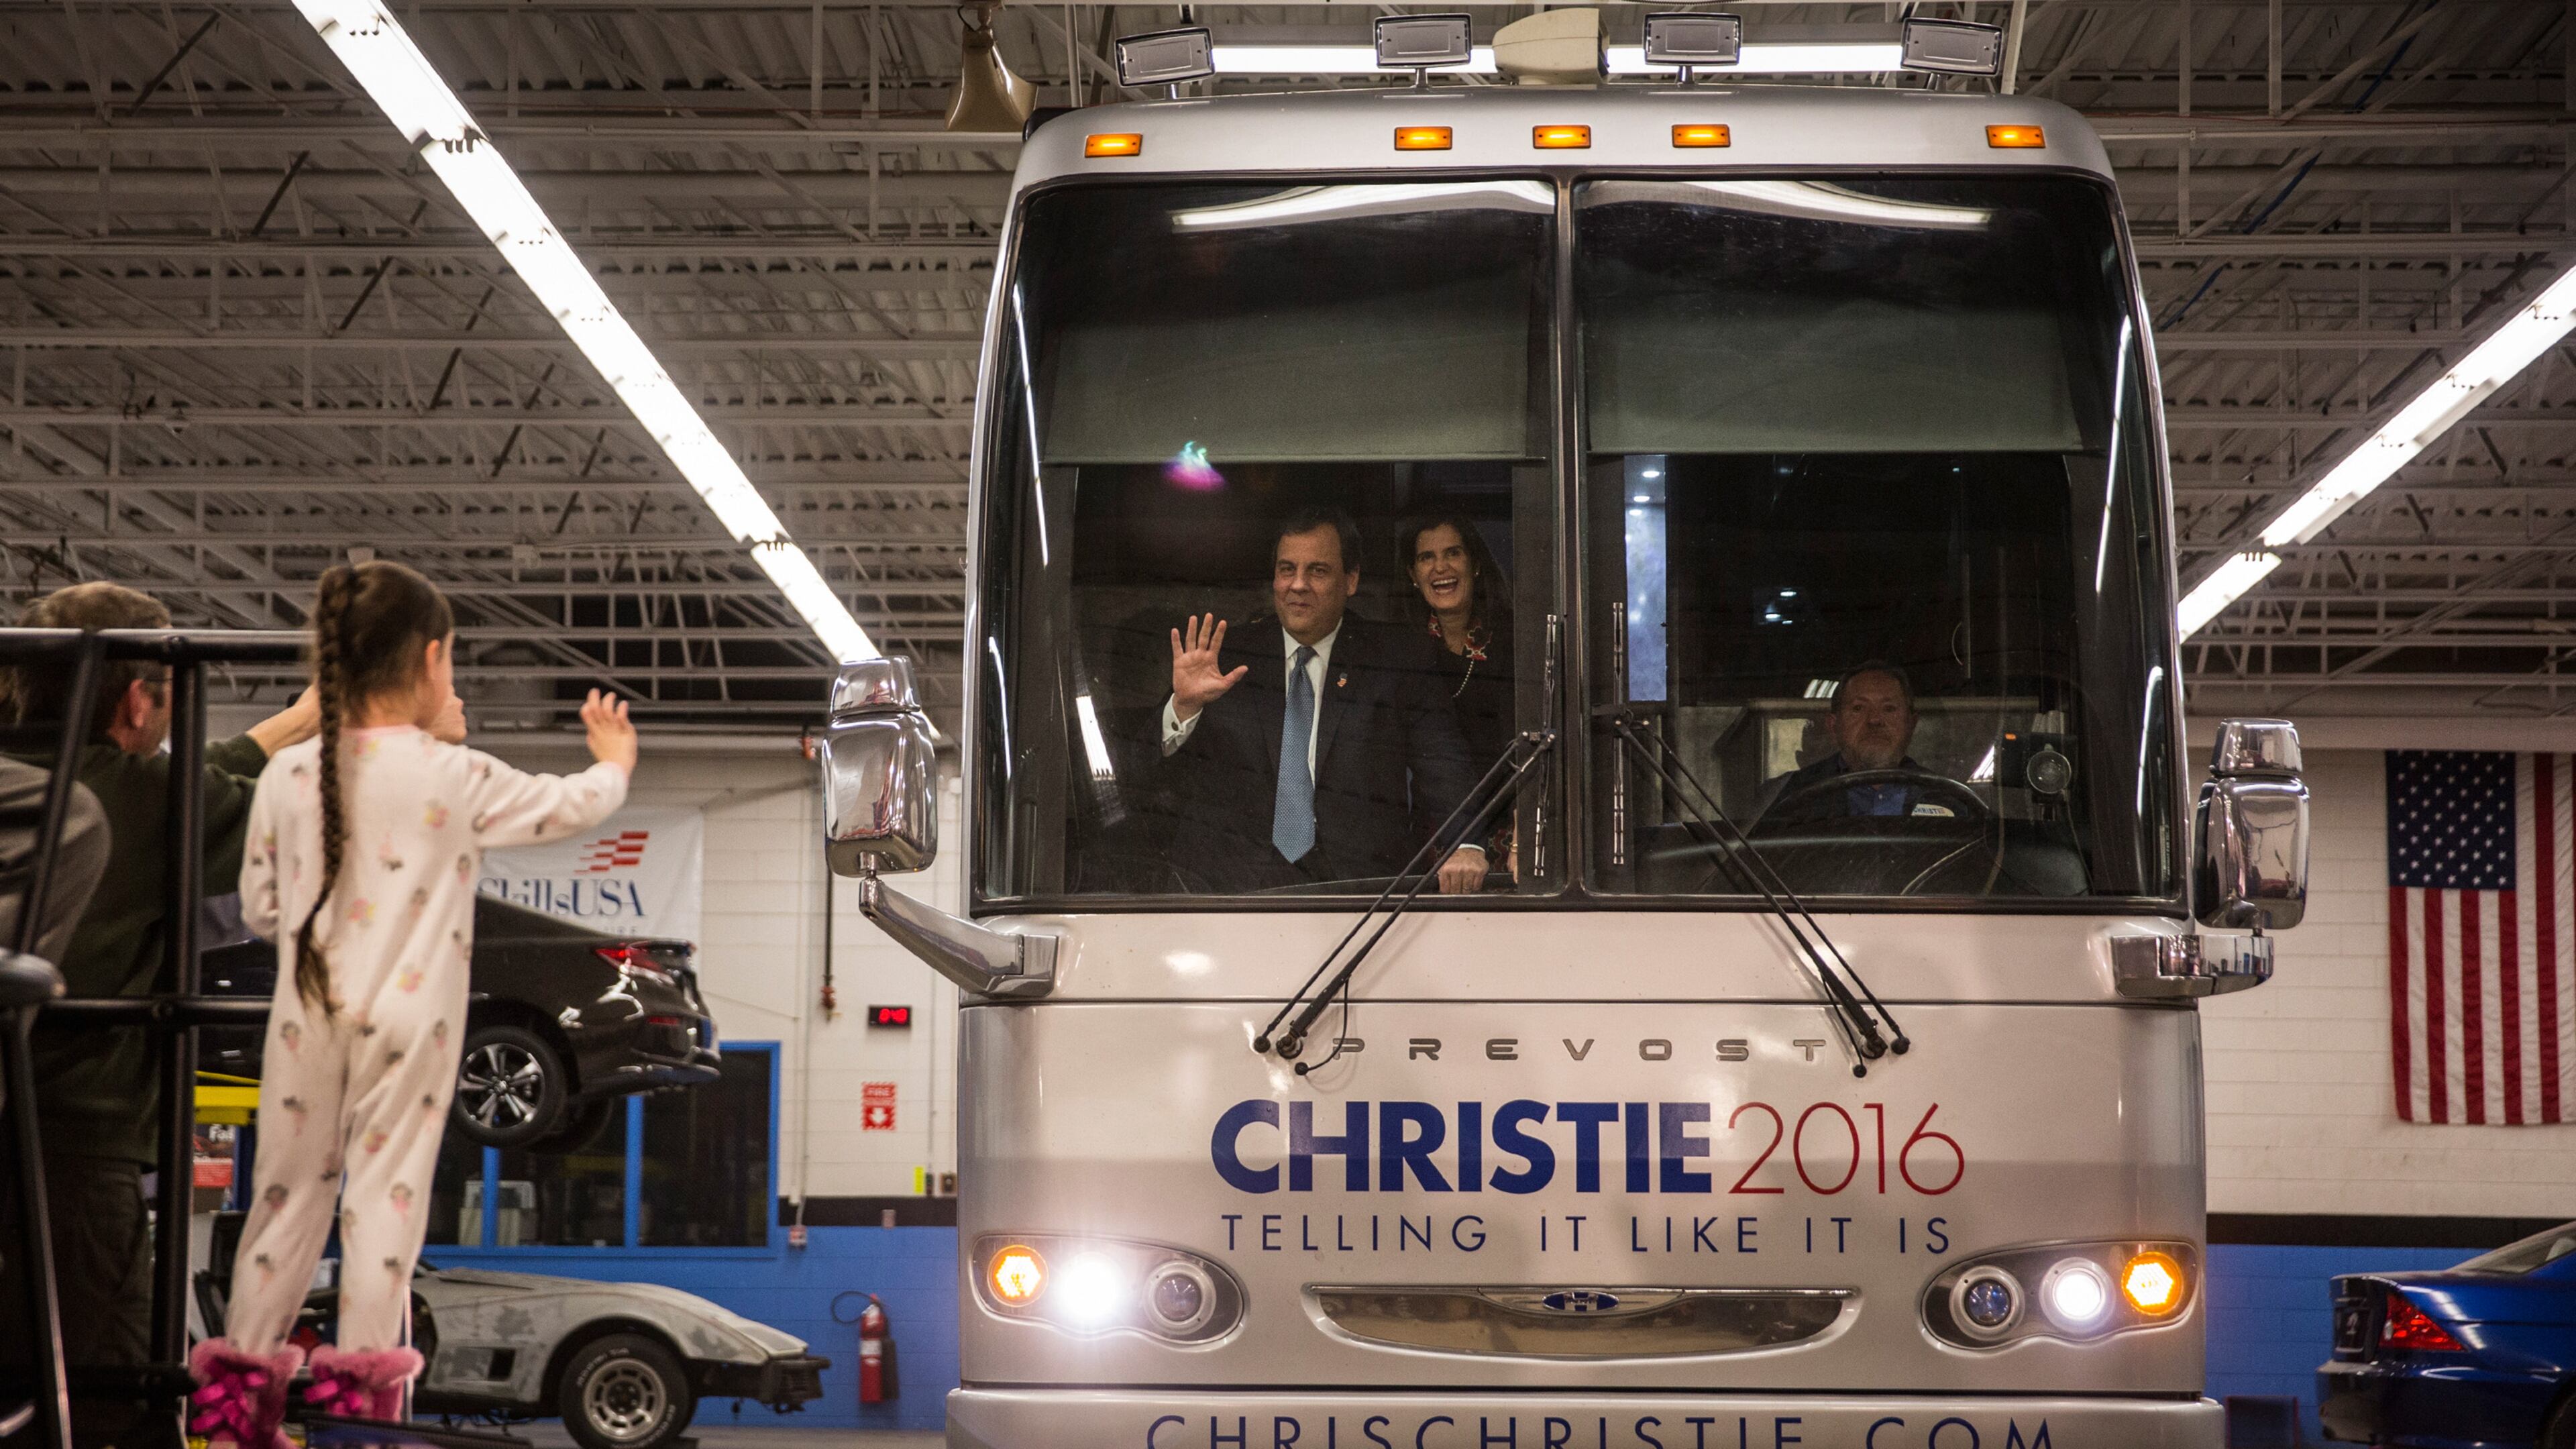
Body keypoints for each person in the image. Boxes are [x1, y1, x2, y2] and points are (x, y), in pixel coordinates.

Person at [188, 562, 635, 1447]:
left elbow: (264, 908)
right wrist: (613, 761)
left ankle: (237, 1408)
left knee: (283, 1202)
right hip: (412, 1020)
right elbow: (567, 807)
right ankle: (362, 1411)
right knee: (383, 1200)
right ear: (432, 659)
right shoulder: (452, 774)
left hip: (304, 1019)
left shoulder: (286, 779)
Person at [0, 582, 320, 1449]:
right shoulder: (126, 801)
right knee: (109, 1408)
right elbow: (228, 801)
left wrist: (296, 722)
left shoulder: (31, 781)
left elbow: (197, 780)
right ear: (140, 701)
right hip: (69, 1160)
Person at [1161, 509, 1487, 894]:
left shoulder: (1399, 658)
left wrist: (1465, 843)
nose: (1297, 585)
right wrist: (1184, 709)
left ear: (1350, 580)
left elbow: (1443, 762)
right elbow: (1161, 783)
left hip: (1361, 894)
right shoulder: (1225, 658)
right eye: (1287, 570)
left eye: (1317, 571)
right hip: (1235, 893)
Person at [1755, 661, 1940, 826]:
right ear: (1834, 725)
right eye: (1858, 708)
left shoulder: (1948, 798)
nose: (1875, 720)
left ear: (1912, 724)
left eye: (1889, 709)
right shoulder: (1782, 798)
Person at [1397, 516, 1515, 767]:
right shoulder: (1403, 650)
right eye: (1426, 557)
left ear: (1475, 565)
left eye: (1453, 553)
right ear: (1413, 575)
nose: (1440, 568)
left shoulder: (1513, 644)